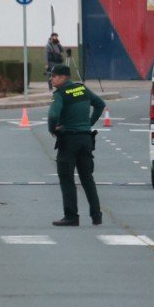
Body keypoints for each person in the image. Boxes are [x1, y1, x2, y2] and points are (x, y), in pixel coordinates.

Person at [47, 63, 107, 227]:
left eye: (53, 76)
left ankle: (71, 216)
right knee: (87, 178)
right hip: (86, 140)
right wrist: (88, 123)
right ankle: (96, 215)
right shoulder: (82, 89)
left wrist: (52, 129)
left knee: (66, 178)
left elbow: (53, 114)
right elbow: (100, 104)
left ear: (62, 77)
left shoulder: (60, 94)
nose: (51, 79)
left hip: (69, 140)